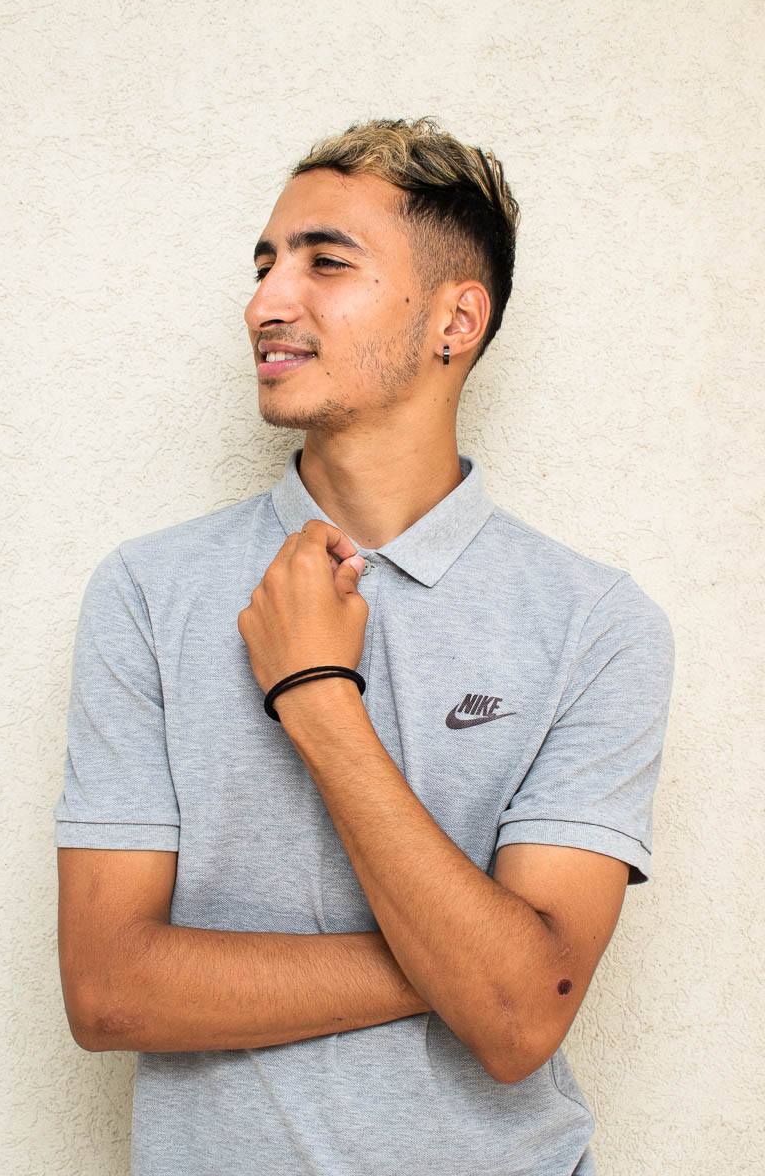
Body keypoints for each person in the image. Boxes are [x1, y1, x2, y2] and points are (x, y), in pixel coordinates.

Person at [54, 117, 674, 1175]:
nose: (264, 303)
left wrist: (314, 692)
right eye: (262, 265)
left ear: (453, 320)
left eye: (323, 263)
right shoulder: (149, 592)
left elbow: (522, 1034)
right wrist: (477, 968)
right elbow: (110, 993)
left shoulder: (594, 623)